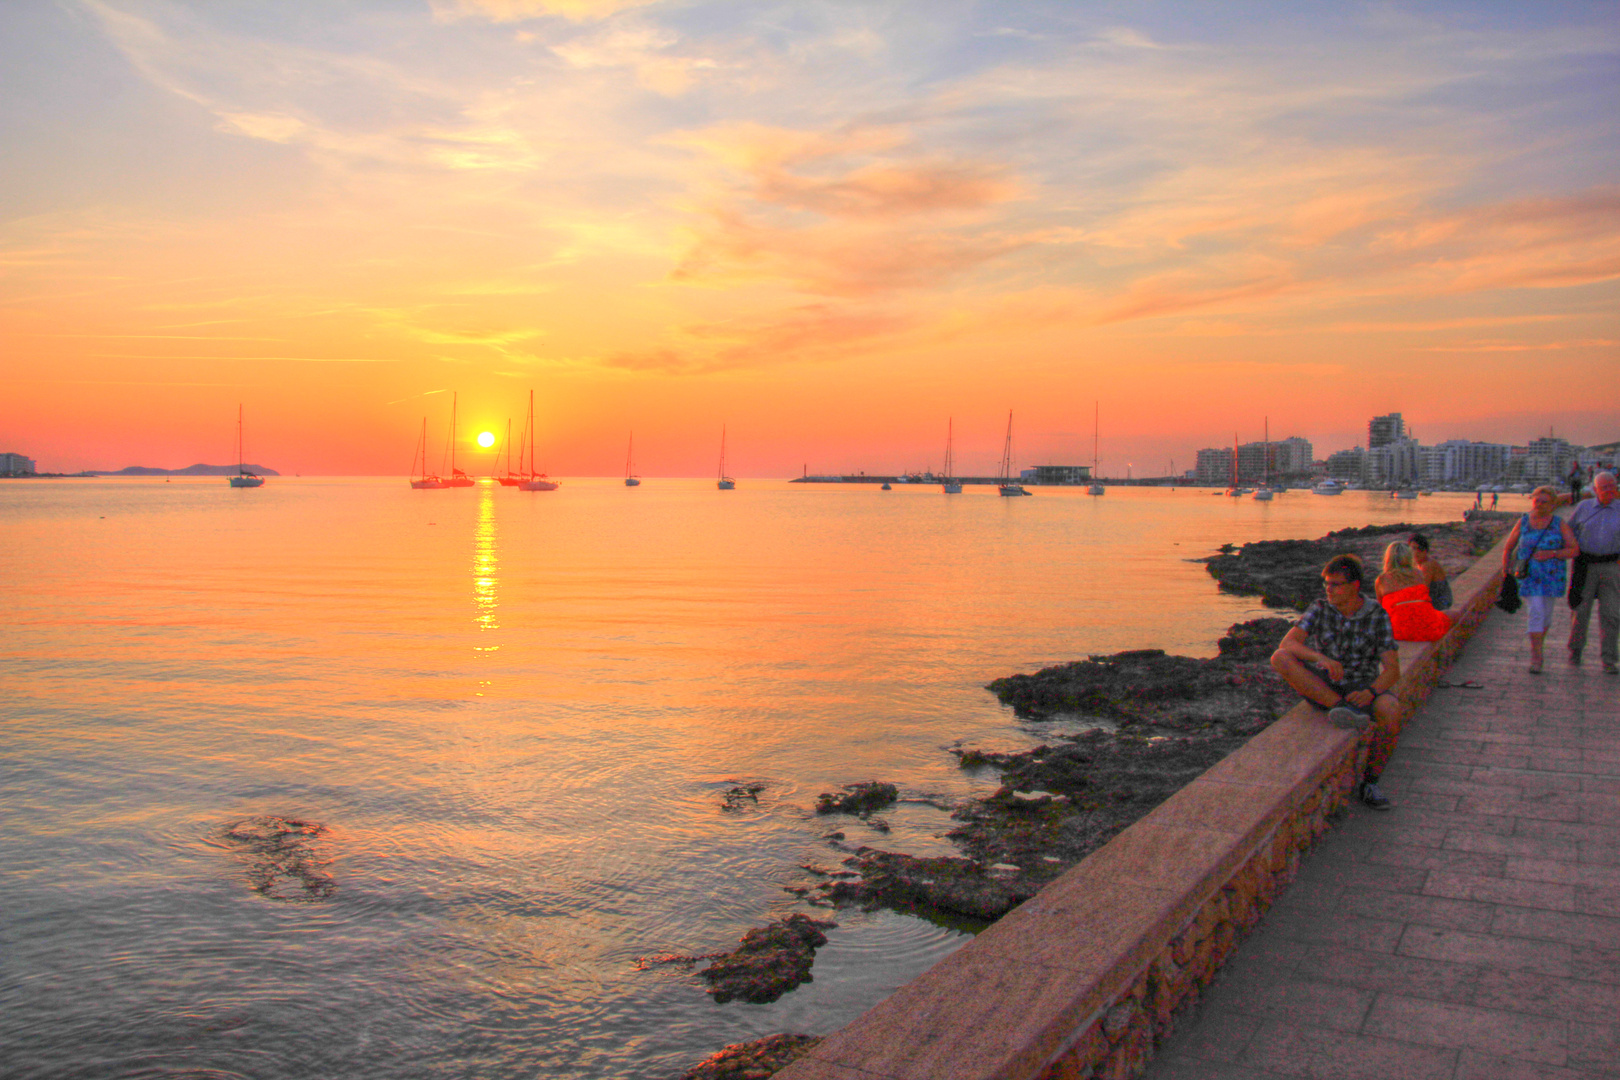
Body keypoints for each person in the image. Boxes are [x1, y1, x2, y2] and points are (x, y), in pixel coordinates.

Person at [1271, 554, 1401, 811]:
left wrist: (1371, 691)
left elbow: (1392, 670)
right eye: (1326, 584)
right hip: (1326, 688)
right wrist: (1320, 657)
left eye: (1335, 584)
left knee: (1391, 710)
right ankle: (1342, 708)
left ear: (1354, 586)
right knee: (1280, 658)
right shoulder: (1320, 608)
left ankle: (1371, 783)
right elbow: (1288, 644)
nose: (1328, 590)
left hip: (1362, 685)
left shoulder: (1376, 614)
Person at [1501, 486, 1579, 674]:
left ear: (1552, 504)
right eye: (1538, 500)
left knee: (1546, 617)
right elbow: (1508, 547)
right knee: (1536, 612)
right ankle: (1536, 656)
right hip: (1529, 577)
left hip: (1552, 578)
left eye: (1545, 501)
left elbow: (1574, 549)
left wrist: (1552, 553)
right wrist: (1506, 572)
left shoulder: (1559, 524)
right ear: (1532, 501)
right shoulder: (1524, 522)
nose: (1540, 505)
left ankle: (1538, 646)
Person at [1567, 471, 1620, 674]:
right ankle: (1576, 649)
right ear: (1595, 490)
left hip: (1611, 565)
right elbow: (1569, 532)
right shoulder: (1583, 507)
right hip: (1585, 565)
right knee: (1580, 610)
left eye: (1612, 486)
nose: (1609, 490)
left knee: (1612, 614)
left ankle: (1609, 659)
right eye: (1604, 487)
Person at [1376, 542, 1452, 642]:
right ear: (1409, 557)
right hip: (1427, 628)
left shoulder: (1381, 580)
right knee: (1450, 615)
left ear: (1388, 559)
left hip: (1397, 630)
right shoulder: (1419, 574)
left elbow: (1382, 609)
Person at [1408, 533, 1453, 611]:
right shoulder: (1417, 564)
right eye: (1413, 548)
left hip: (1440, 602)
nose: (1416, 552)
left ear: (1425, 551)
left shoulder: (1427, 565)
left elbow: (1422, 589)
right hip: (1434, 600)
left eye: (1420, 549)